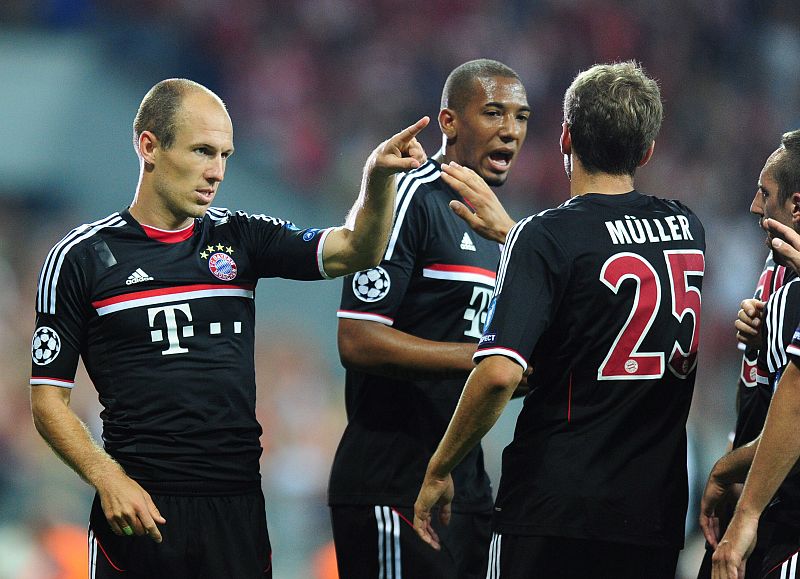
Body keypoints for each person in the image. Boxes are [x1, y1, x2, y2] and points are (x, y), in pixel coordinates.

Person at [28, 77, 429, 579]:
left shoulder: (239, 237)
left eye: (225, 154)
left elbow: (355, 249)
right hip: (140, 508)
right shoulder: (80, 258)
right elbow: (47, 399)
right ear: (149, 146)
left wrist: (377, 180)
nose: (216, 171)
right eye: (201, 151)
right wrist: (107, 478)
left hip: (236, 507)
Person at [414, 61, 706, 579]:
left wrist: (439, 468)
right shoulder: (687, 229)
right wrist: (519, 239)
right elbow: (598, 283)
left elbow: (500, 372)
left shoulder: (546, 237)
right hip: (651, 514)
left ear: (566, 137)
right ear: (647, 150)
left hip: (554, 511)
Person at [327, 59, 530, 579]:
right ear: (448, 122)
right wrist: (480, 360)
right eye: (493, 112)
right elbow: (357, 338)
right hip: (392, 481)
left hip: (466, 488)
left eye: (521, 117)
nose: (510, 130)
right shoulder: (406, 197)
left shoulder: (506, 229)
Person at [699, 131, 800, 579]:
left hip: (782, 518)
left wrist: (727, 471)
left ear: (795, 205)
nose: (755, 206)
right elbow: (761, 389)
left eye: (765, 194)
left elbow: (795, 406)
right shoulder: (776, 271)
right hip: (756, 503)